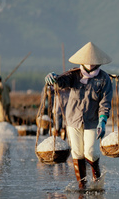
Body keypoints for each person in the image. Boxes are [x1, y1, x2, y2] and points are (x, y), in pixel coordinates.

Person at [45, 42, 113, 190]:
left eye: (93, 60)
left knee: (90, 151)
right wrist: (53, 78)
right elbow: (60, 82)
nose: (89, 63)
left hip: (92, 121)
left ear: (98, 61)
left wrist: (102, 120)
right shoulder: (74, 74)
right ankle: (82, 185)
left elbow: (105, 102)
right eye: (87, 60)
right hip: (73, 119)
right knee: (77, 152)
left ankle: (97, 181)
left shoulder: (104, 79)